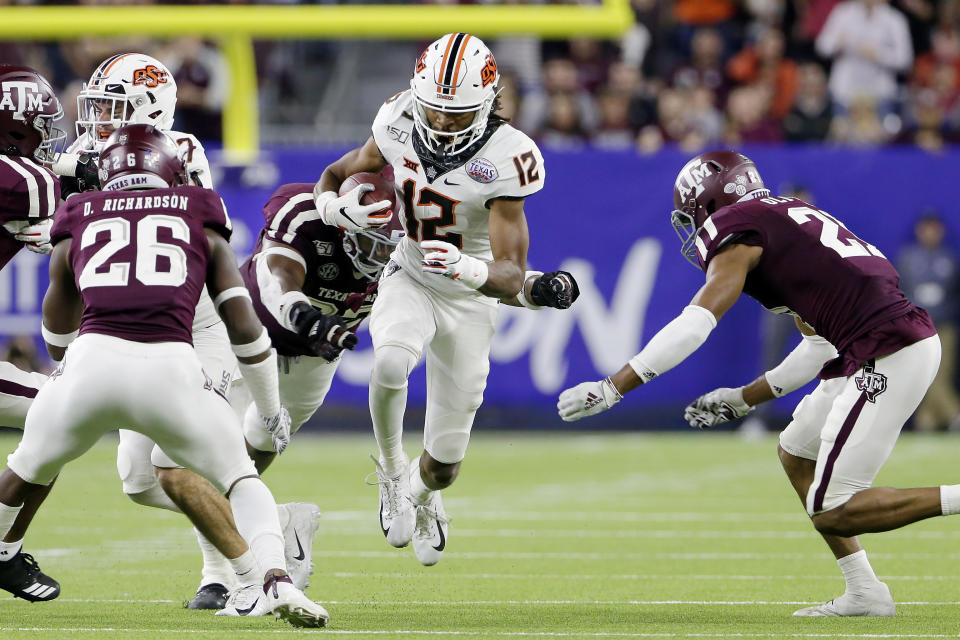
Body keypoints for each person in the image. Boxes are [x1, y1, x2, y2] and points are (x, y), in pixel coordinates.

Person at [558, 149, 958, 617]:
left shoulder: (743, 229)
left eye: (693, 216)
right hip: (872, 345)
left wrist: (614, 386)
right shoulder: (786, 219)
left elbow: (695, 323)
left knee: (835, 508)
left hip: (888, 352)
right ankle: (865, 592)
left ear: (708, 207)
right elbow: (818, 346)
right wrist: (745, 399)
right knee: (796, 453)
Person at [0, 124, 328, 626]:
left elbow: (55, 323)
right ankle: (275, 581)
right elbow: (243, 324)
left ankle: (4, 551)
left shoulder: (77, 213)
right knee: (239, 478)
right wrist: (267, 408)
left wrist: (67, 367)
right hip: (170, 368)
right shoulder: (198, 211)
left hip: (92, 361)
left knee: (25, 470)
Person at [312, 33, 579, 566]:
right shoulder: (397, 119)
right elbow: (337, 175)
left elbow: (510, 276)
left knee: (444, 467)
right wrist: (334, 210)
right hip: (410, 270)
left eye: (456, 115)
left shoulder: (509, 156)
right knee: (388, 362)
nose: (441, 123)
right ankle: (391, 472)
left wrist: (463, 264)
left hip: (471, 294)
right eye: (434, 109)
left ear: (487, 103)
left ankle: (424, 492)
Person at [238, 181, 402, 470]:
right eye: (372, 243)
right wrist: (305, 317)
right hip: (247, 324)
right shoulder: (306, 214)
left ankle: (231, 508)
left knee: (265, 440)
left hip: (315, 355)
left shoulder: (413, 249)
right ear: (347, 227)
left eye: (389, 248)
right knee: (206, 431)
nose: (381, 258)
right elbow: (277, 275)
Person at [0, 63, 64, 602]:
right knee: (62, 411)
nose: (48, 141)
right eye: (42, 128)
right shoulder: (27, 181)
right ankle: (3, 552)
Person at [896, 211, 960, 431]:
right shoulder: (907, 258)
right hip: (917, 327)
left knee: (941, 373)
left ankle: (929, 421)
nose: (931, 232)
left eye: (935, 228)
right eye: (927, 228)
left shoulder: (950, 258)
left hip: (944, 326)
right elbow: (899, 292)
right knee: (923, 375)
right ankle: (950, 415)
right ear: (919, 230)